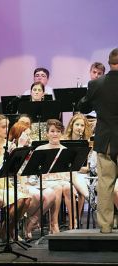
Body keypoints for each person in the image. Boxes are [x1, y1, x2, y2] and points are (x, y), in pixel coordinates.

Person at [78, 48, 118, 234]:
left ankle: (105, 226)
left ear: (109, 63)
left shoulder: (96, 84)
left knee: (105, 183)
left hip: (106, 140)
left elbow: (83, 106)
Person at [85, 62, 106, 131]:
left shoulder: (107, 90)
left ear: (103, 75)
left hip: (99, 120)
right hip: (84, 119)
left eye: (99, 73)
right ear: (90, 72)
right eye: (94, 72)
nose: (96, 75)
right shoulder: (83, 89)